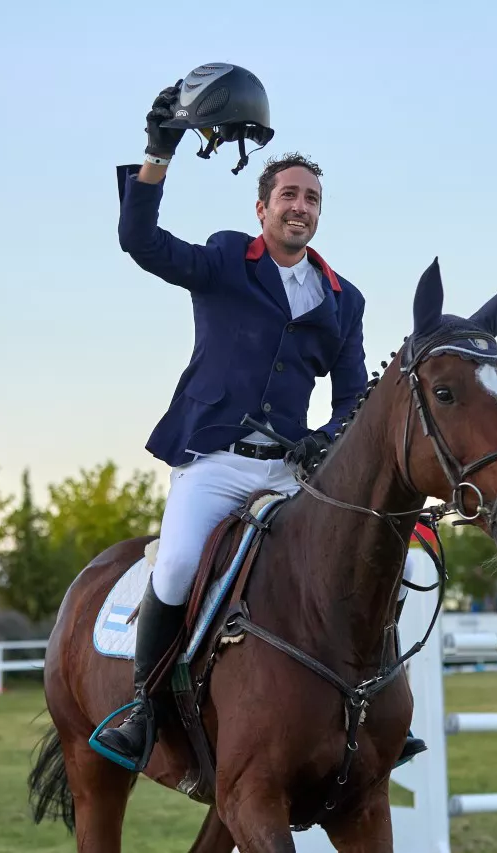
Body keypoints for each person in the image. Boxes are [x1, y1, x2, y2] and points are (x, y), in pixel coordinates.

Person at [93, 65, 425, 773]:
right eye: (289, 195)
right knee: (179, 562)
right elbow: (139, 241)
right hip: (214, 461)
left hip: (288, 470)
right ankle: (144, 709)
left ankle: (374, 710)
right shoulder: (222, 260)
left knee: (366, 562)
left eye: (311, 198)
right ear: (262, 207)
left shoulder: (344, 299)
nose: (300, 206)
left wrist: (324, 444)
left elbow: (350, 397)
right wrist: (160, 151)